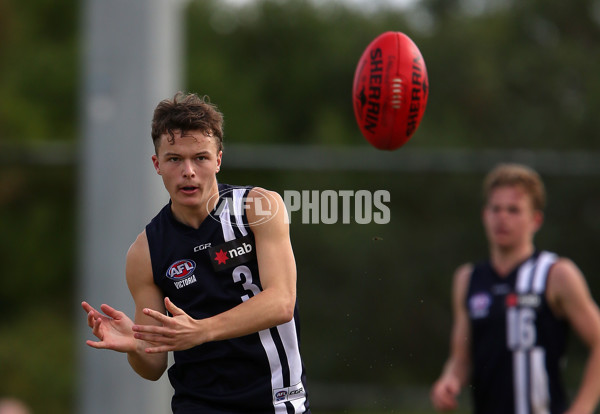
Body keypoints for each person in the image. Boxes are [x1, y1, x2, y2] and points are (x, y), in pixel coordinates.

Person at [82, 92, 310, 414]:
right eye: (174, 159)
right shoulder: (145, 252)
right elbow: (153, 365)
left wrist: (201, 331)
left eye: (200, 158)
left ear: (218, 159)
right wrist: (136, 347)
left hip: (275, 403)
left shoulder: (259, 208)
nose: (188, 171)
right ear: (157, 164)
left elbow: (281, 302)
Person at [430, 163, 600, 414]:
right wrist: (449, 381)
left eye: (513, 210)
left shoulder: (556, 274)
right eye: (496, 209)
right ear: (484, 215)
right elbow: (462, 358)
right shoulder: (468, 279)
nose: (502, 218)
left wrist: (582, 409)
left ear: (536, 220)